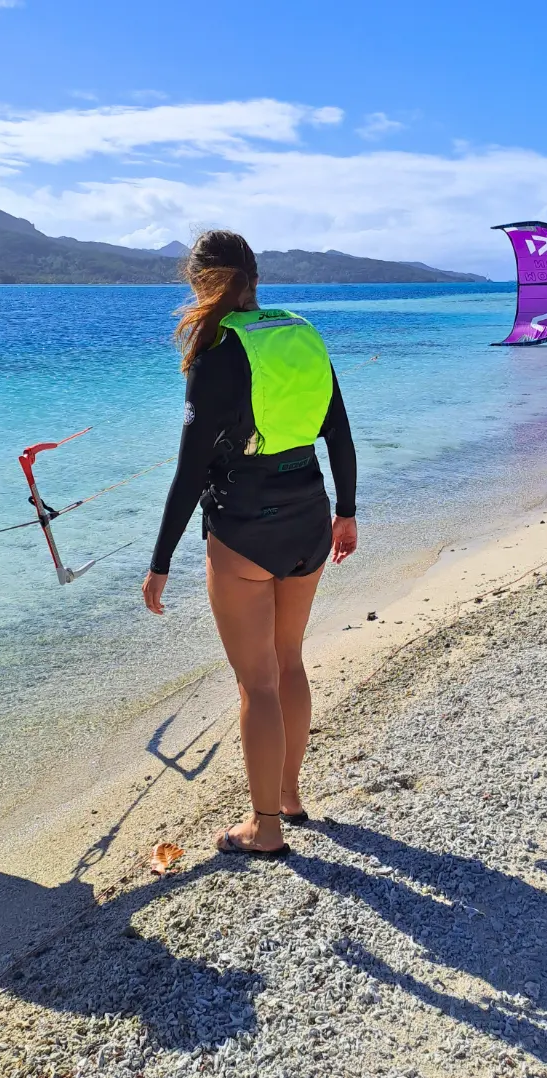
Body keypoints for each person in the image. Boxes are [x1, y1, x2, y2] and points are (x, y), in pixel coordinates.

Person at [142, 231, 358, 858]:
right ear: (255, 276)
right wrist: (346, 512)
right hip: (310, 517)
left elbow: (189, 472)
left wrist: (160, 563)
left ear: (198, 282)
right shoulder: (299, 332)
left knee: (256, 683)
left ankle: (265, 827)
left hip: (244, 529)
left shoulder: (216, 354)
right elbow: (337, 432)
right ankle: (288, 796)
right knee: (289, 660)